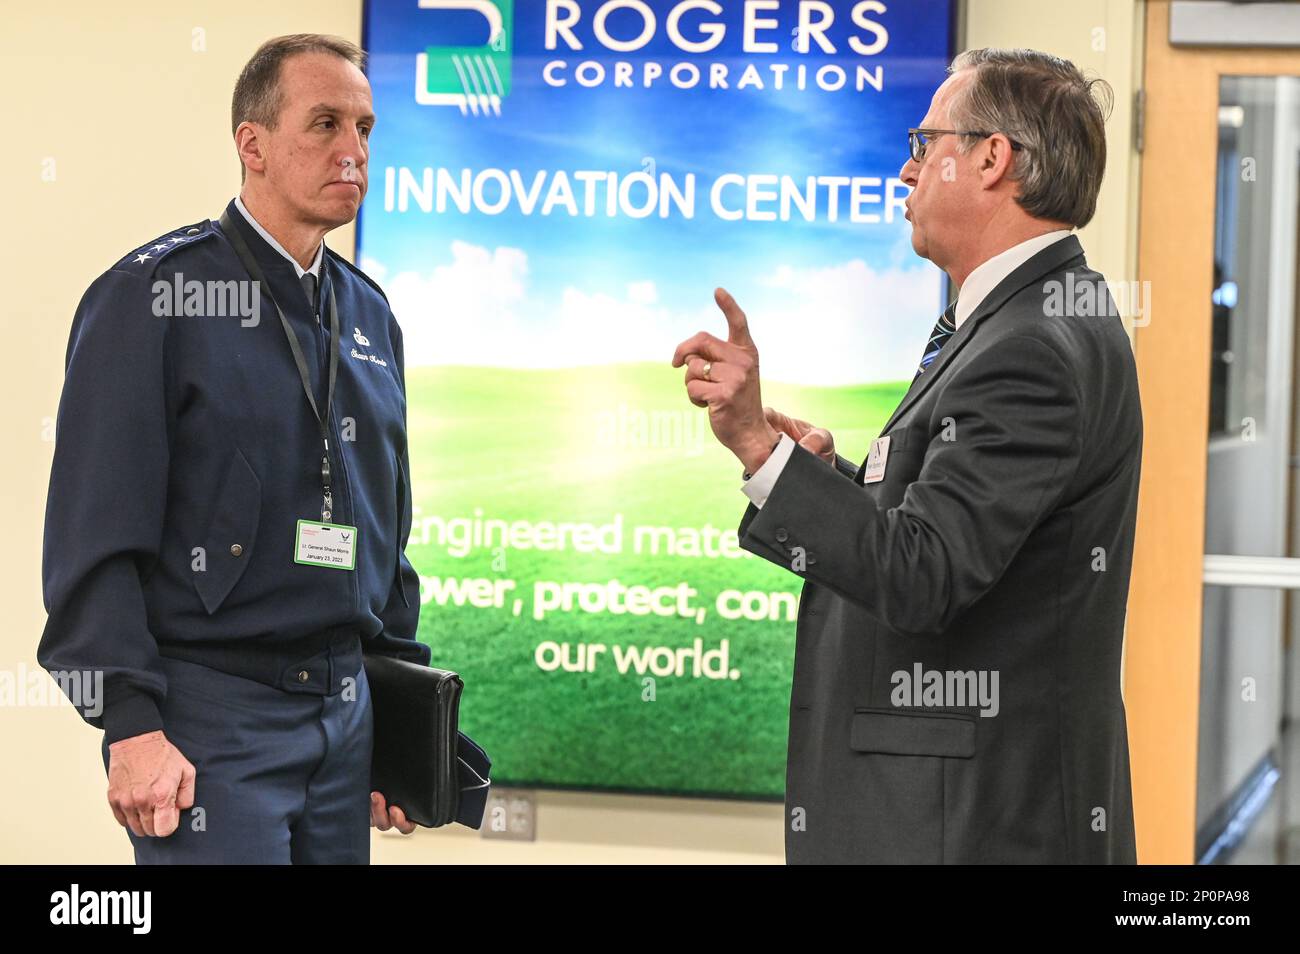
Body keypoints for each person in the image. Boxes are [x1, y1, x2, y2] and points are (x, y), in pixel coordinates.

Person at [673, 48, 1141, 863]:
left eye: (925, 145)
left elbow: (925, 575)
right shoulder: (1032, 317)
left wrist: (756, 445)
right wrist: (822, 477)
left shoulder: (1027, 346)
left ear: (993, 159)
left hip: (970, 825)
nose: (904, 170)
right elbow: (958, 531)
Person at [38, 34, 430, 863]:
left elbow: (386, 534)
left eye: (365, 129)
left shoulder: (369, 316)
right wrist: (130, 725)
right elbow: (90, 546)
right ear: (251, 144)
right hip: (210, 722)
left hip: (346, 714)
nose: (353, 151)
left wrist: (393, 710)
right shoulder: (152, 298)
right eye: (324, 124)